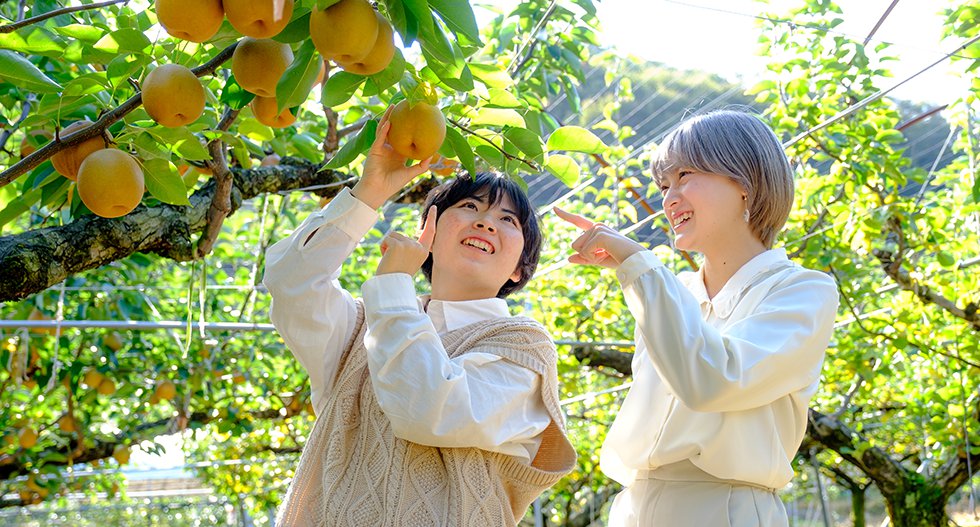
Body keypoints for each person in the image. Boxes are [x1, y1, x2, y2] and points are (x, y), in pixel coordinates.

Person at [263, 106, 576, 527]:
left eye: (508, 220)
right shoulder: (364, 329)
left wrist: (394, 286)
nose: (486, 222)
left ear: (520, 267)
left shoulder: (524, 347)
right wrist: (369, 192)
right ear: (429, 231)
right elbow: (290, 282)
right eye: (469, 206)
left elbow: (429, 408)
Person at [555, 109, 839, 526]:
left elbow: (714, 380)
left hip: (724, 510)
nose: (669, 198)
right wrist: (642, 276)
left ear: (745, 182)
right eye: (665, 184)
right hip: (635, 505)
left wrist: (637, 265)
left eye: (685, 176)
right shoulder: (674, 292)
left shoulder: (802, 291)